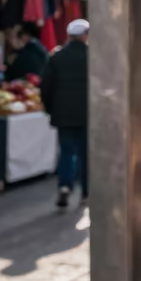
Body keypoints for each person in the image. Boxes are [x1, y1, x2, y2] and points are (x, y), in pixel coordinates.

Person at [42, 20, 89, 208]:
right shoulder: (92, 56)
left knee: (66, 151)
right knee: (86, 153)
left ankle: (64, 186)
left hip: (63, 113)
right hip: (87, 113)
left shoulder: (56, 57)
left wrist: (50, 108)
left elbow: (46, 86)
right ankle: (86, 190)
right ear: (85, 35)